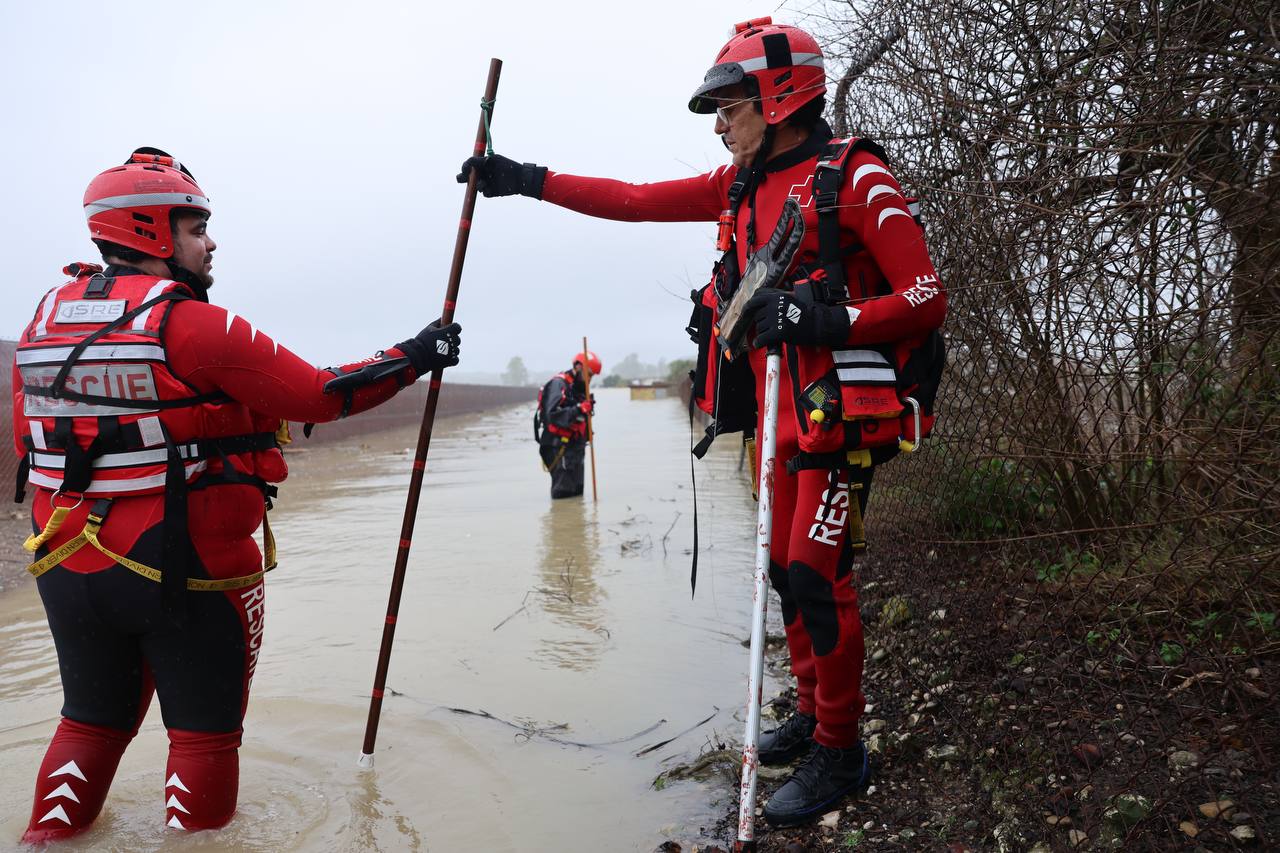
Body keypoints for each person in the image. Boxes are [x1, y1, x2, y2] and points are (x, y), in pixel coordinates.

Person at [459, 18, 945, 826]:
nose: (718, 125)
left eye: (729, 107)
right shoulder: (738, 186)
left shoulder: (853, 178)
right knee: (787, 573)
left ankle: (842, 749)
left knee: (819, 575)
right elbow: (635, 201)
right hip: (780, 418)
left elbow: (926, 295)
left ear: (778, 97)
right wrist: (527, 178)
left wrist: (822, 321)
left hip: (839, 414)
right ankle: (814, 713)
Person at [11, 148, 461, 842]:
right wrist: (416, 353)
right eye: (195, 227)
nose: (210, 241)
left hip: (67, 561)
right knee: (203, 738)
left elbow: (27, 438)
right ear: (152, 232)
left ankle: (44, 838)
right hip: (181, 562)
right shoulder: (189, 324)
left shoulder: (43, 320)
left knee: (89, 721)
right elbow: (319, 395)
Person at [534, 351, 599, 499]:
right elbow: (552, 415)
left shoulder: (579, 388)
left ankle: (576, 522)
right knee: (564, 494)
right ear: (577, 367)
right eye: (588, 374)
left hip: (574, 447)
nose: (589, 379)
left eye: (592, 376)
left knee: (577, 493)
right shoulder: (558, 384)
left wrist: (586, 410)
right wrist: (579, 409)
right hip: (558, 447)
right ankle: (560, 522)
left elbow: (580, 417)